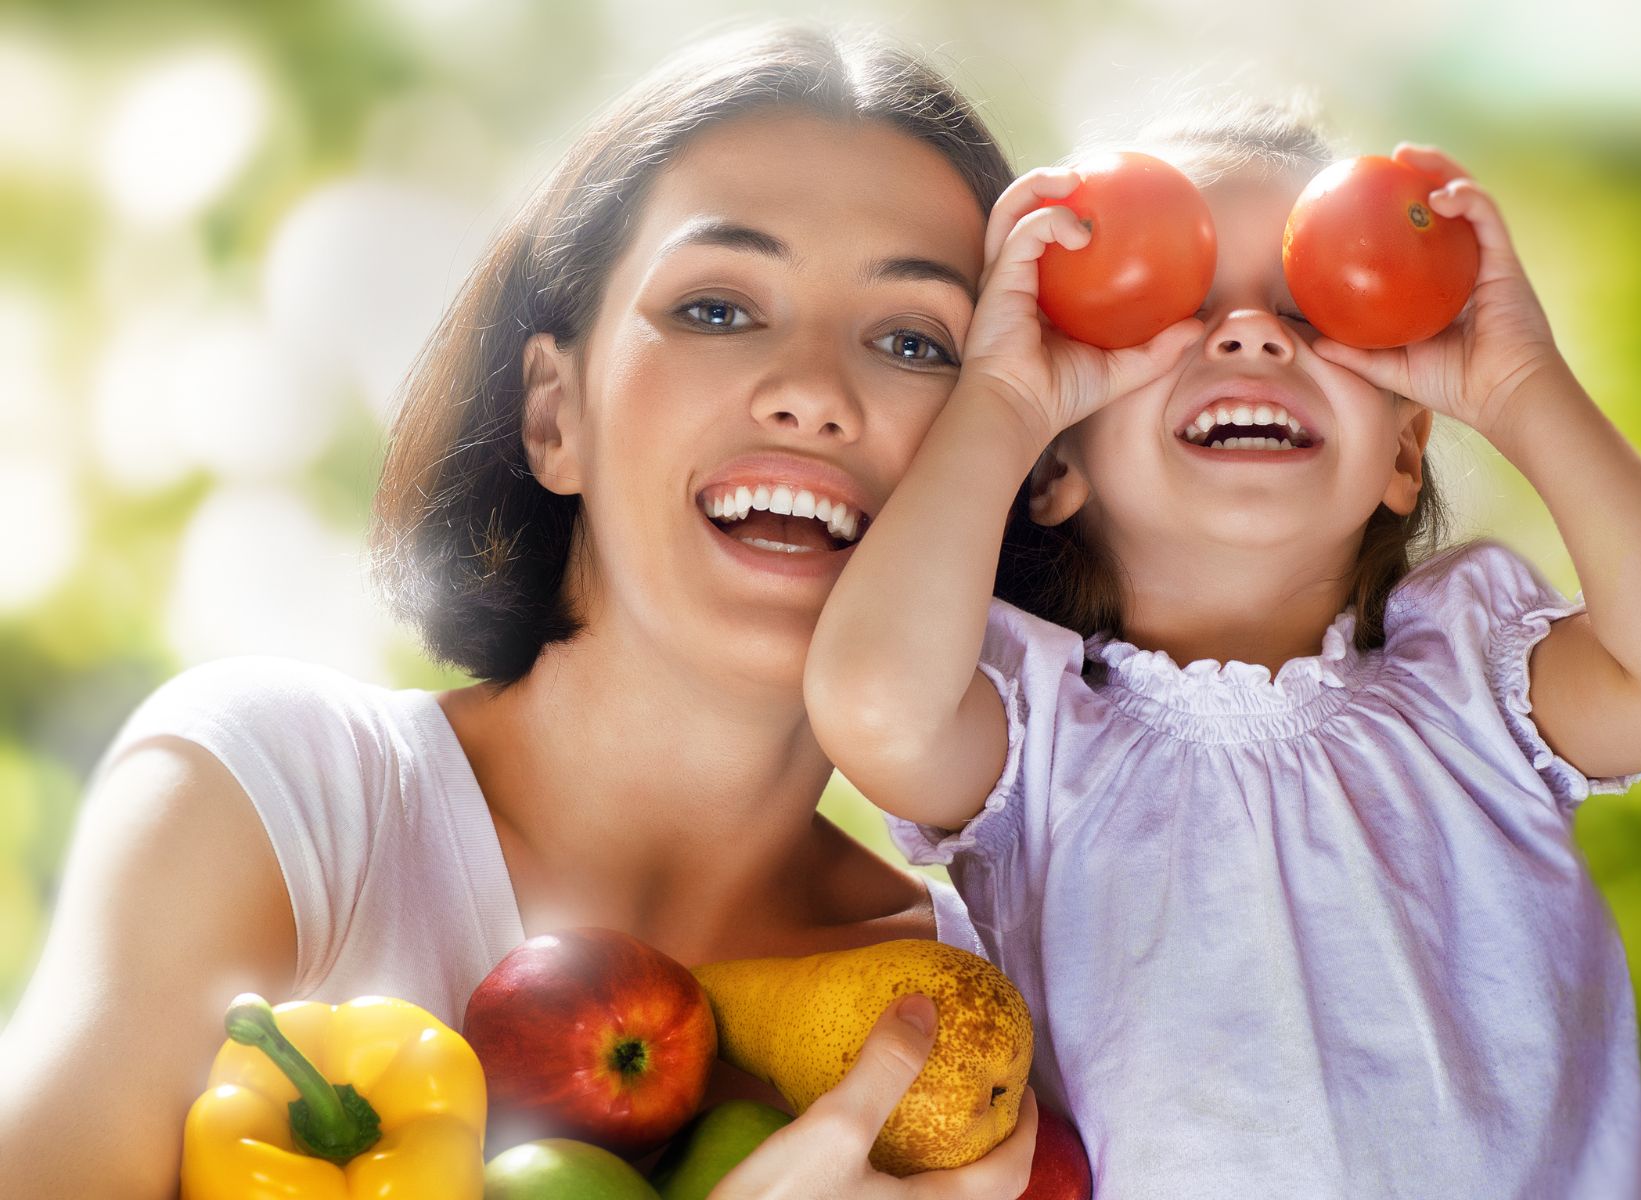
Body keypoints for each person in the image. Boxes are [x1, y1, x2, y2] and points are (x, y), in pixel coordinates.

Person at [0, 24, 1041, 1198]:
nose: (812, 392)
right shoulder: (284, 804)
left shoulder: (978, 1019)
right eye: (715, 308)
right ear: (555, 417)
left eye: (914, 341)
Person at [805, 97, 1641, 1198]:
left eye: (1313, 312)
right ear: (1053, 468)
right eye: (1166, 309)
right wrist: (1000, 397)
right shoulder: (1033, 741)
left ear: (1402, 459)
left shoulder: (1473, 691)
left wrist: (1519, 387)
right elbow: (871, 707)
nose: (1249, 335)